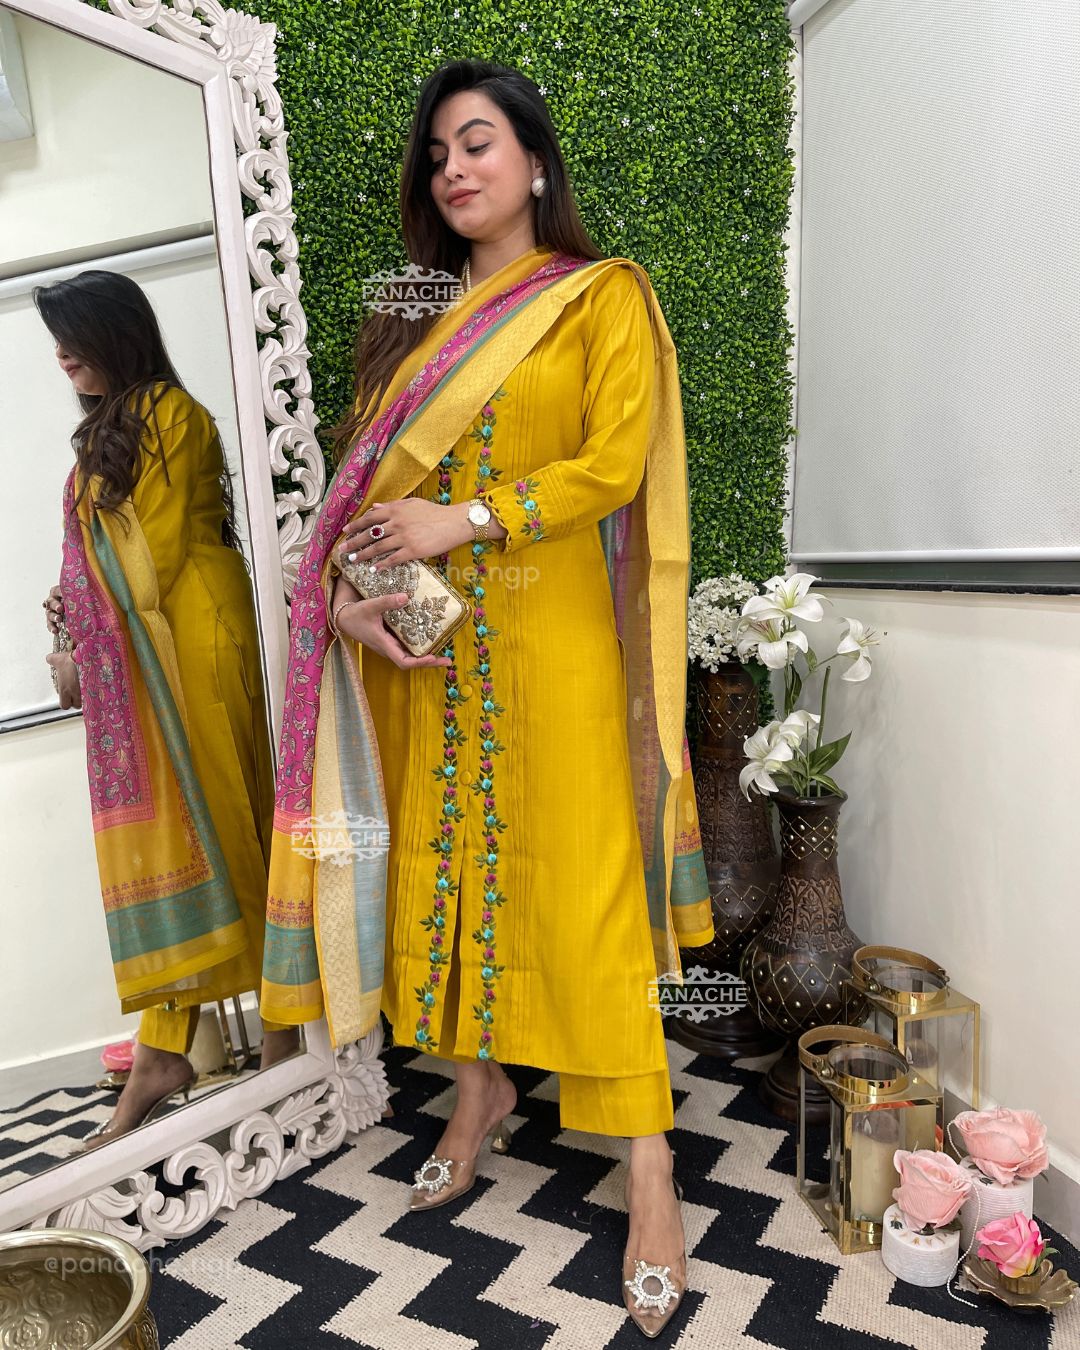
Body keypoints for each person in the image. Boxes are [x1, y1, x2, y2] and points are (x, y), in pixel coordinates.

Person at [259, 60, 712, 1337]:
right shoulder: (411, 322)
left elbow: (612, 465)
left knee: (586, 892)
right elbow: (362, 509)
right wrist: (356, 604)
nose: (453, 169)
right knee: (440, 877)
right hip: (427, 657)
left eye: (478, 143)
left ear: (535, 161)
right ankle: (479, 1090)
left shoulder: (600, 296)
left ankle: (649, 1166)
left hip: (555, 652)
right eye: (438, 155)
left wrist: (463, 518)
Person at [36, 270, 300, 1150]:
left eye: (73, 337)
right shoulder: (111, 426)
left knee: (226, 827)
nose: (61, 356)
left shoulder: (172, 415)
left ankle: (280, 1033)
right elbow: (102, 556)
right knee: (187, 836)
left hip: (193, 647)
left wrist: (81, 637)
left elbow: (144, 550)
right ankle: (163, 1051)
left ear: (116, 333)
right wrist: (70, 616)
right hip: (153, 653)